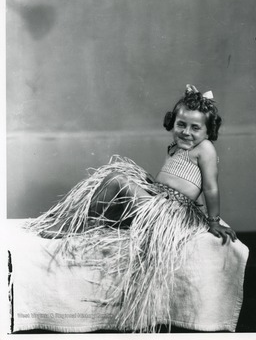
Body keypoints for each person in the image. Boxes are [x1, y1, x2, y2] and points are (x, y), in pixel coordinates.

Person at [26, 84, 241, 332]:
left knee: (118, 180)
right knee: (116, 181)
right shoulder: (177, 147)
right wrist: (150, 186)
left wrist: (213, 220)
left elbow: (211, 188)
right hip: (158, 199)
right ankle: (79, 220)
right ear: (171, 122)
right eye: (181, 124)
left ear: (208, 130)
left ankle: (68, 224)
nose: (186, 132)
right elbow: (171, 178)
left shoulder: (205, 149)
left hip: (170, 211)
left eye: (195, 128)